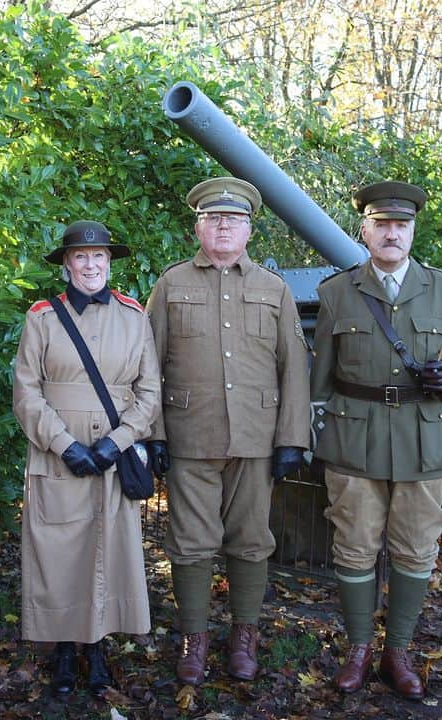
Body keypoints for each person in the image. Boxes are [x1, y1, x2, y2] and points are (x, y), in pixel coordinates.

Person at [311, 181, 442, 701]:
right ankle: (359, 649)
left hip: (422, 440)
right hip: (353, 439)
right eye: (381, 224)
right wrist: (316, 436)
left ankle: (397, 650)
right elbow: (321, 380)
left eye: (400, 225)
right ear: (364, 230)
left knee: (416, 549)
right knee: (355, 547)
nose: (391, 233)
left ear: (412, 231)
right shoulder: (336, 293)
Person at [147, 177, 310, 685]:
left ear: (249, 231)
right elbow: (147, 363)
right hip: (189, 434)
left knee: (251, 541)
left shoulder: (273, 288)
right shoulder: (171, 284)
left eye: (234, 220)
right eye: (214, 219)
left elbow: (294, 369)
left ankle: (244, 634)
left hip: (257, 440)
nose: (223, 227)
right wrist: (152, 432)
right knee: (190, 542)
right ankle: (194, 640)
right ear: (198, 226)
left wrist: (292, 438)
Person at [12, 220, 160, 697]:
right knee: (58, 556)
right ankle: (61, 653)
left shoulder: (134, 316)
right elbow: (26, 392)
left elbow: (149, 392)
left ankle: (96, 650)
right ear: (67, 264)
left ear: (109, 262)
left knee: (108, 551)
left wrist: (115, 443)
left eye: (100, 257)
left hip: (112, 455)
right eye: (82, 256)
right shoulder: (42, 318)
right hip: (58, 458)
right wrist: (64, 444)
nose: (92, 264)